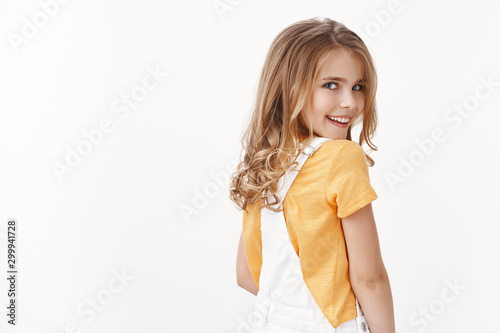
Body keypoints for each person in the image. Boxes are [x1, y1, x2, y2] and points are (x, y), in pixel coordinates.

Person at [229, 17, 395, 333]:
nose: (350, 102)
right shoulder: (341, 157)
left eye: (358, 87)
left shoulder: (265, 164)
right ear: (288, 88)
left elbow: (247, 275)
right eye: (331, 85)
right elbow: (369, 279)